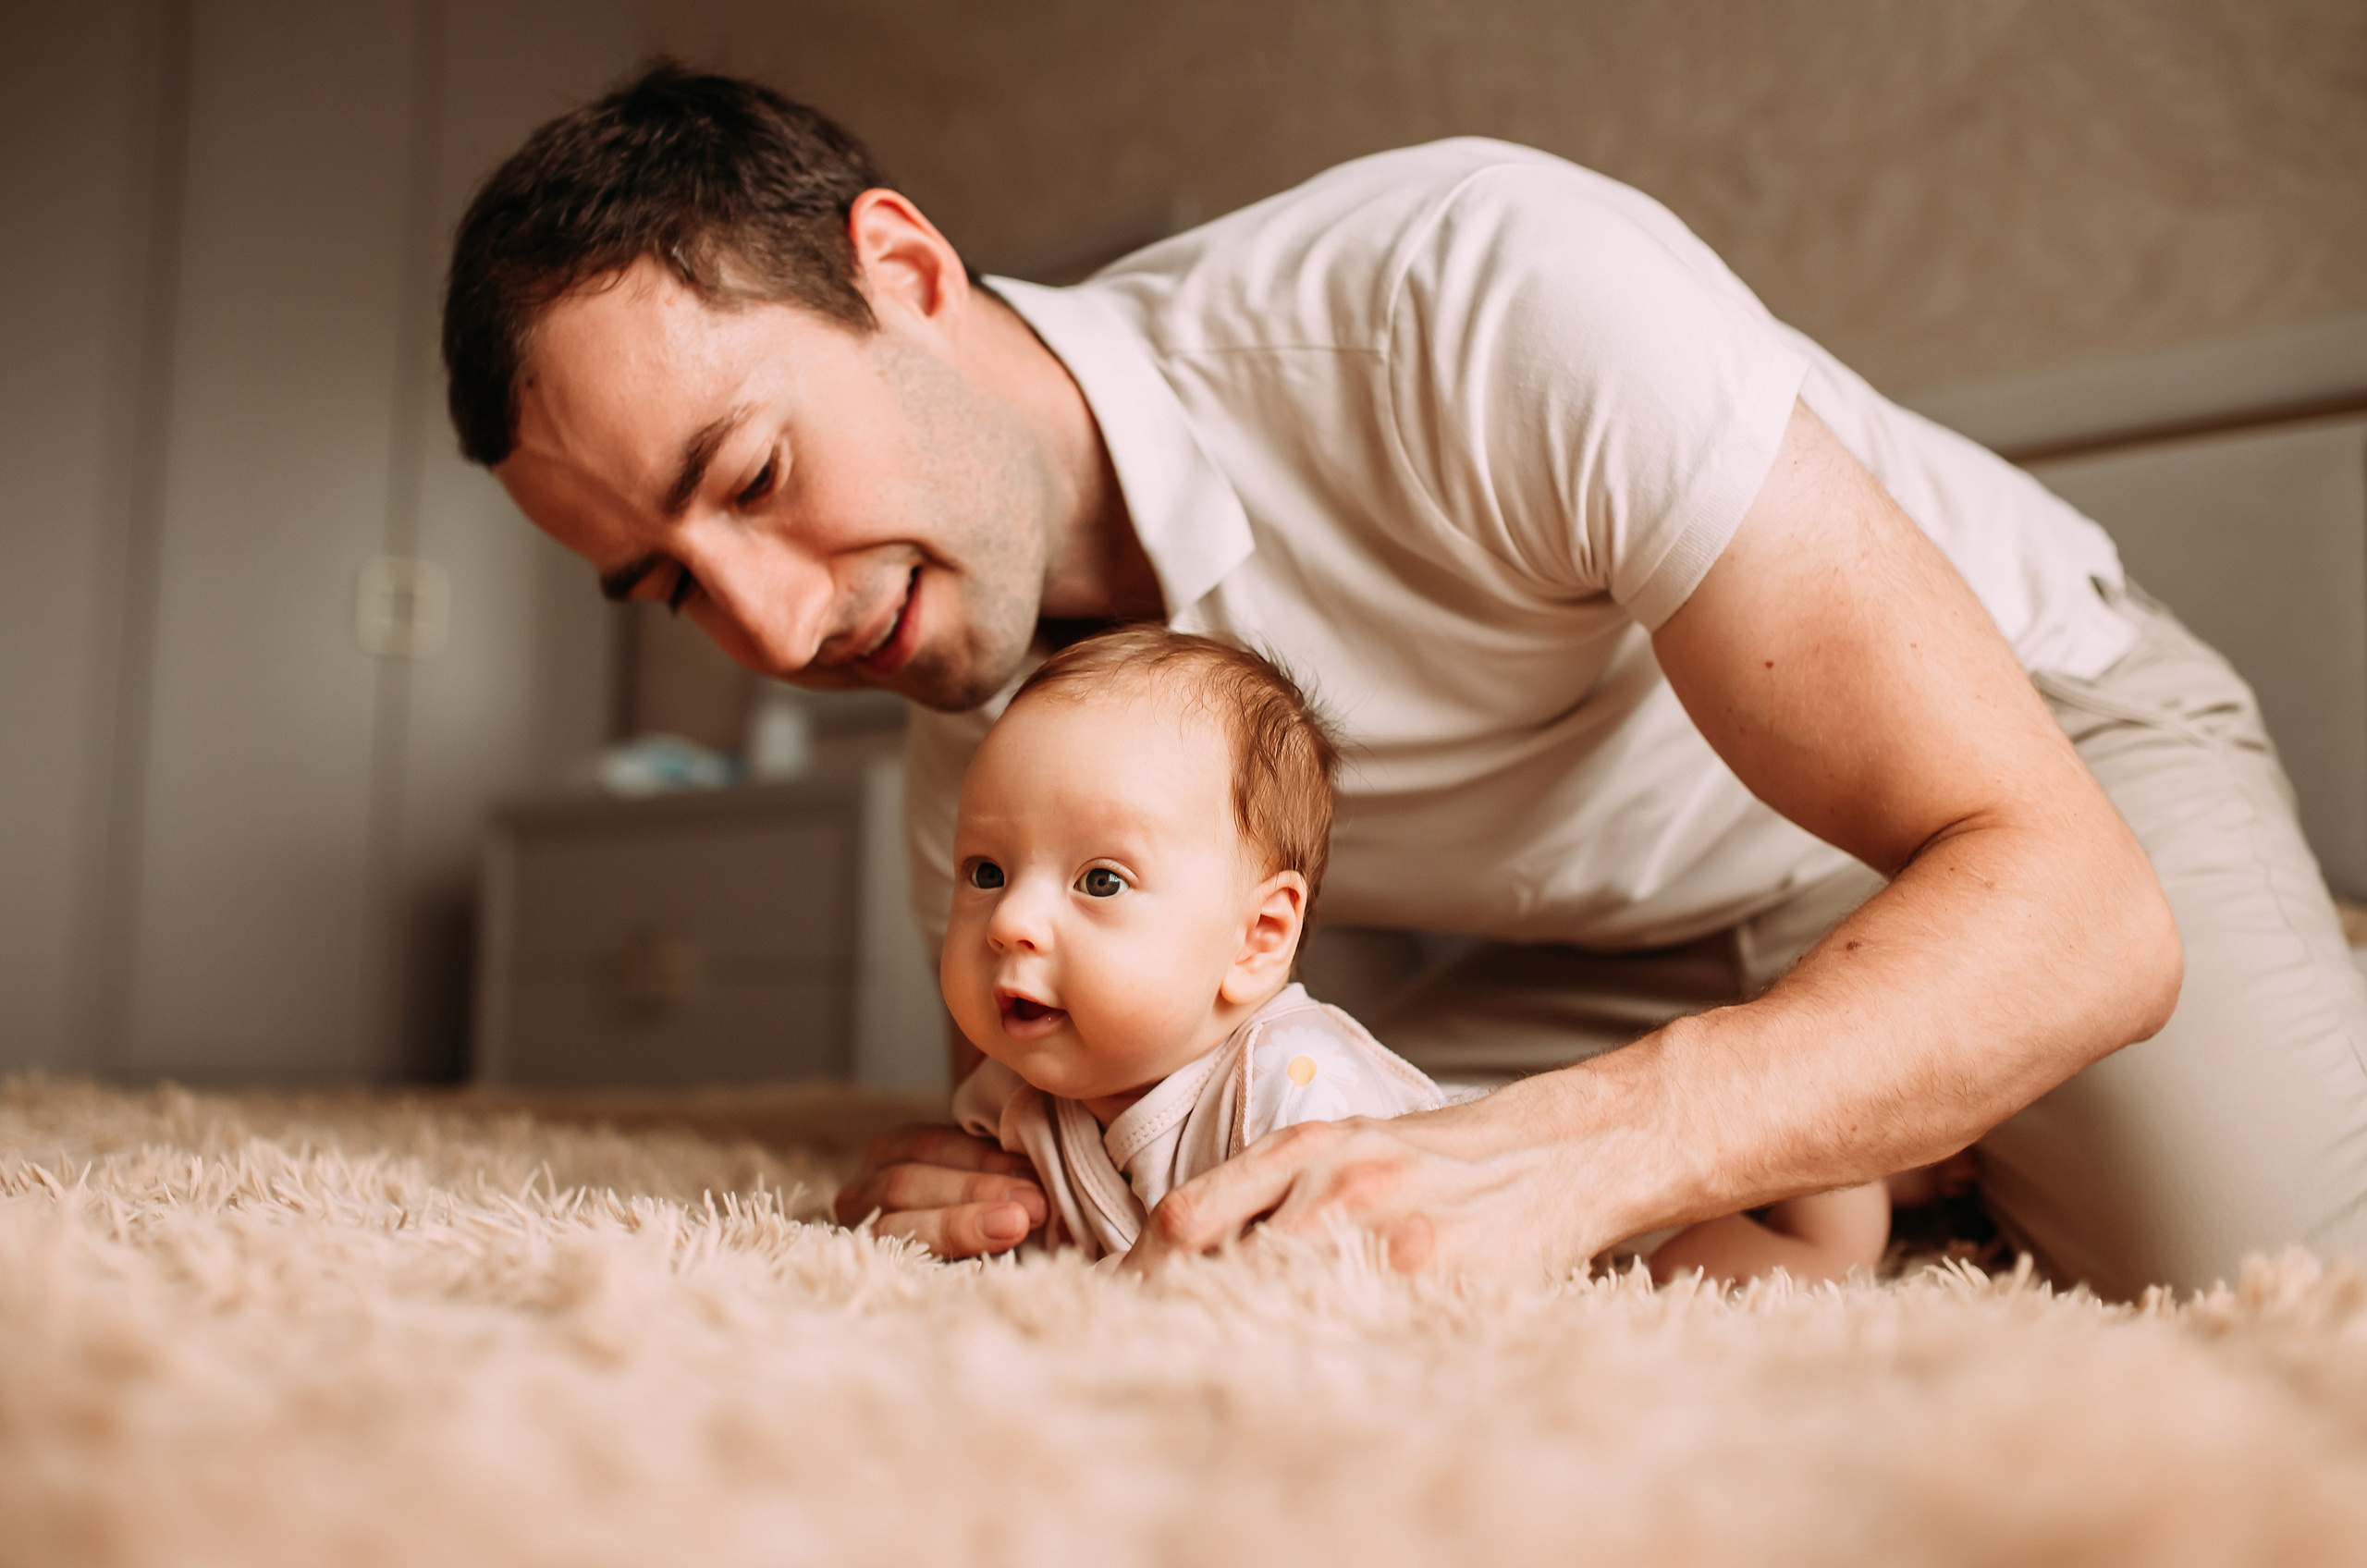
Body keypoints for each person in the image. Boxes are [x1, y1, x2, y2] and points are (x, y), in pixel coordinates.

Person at [443, 65, 2367, 1299]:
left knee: (2255, 1277)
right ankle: (1899, 1118)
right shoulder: (982, 785)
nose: (773, 632)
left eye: (757, 481)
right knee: (1373, 1211)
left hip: (2032, 768)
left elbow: (2082, 910)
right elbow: (1158, 1106)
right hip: (1619, 919)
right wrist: (994, 1192)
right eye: (669, 586)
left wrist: (1597, 1138)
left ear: (903, 269)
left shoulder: (1470, 291)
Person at [938, 624, 1889, 1282]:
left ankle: (1852, 1168)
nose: (1009, 922)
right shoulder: (1012, 1097)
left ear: (1258, 938)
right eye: (983, 871)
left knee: (1728, 1270)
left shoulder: (1297, 1087)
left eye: (1099, 881)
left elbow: (1359, 1283)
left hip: (1541, 1239)